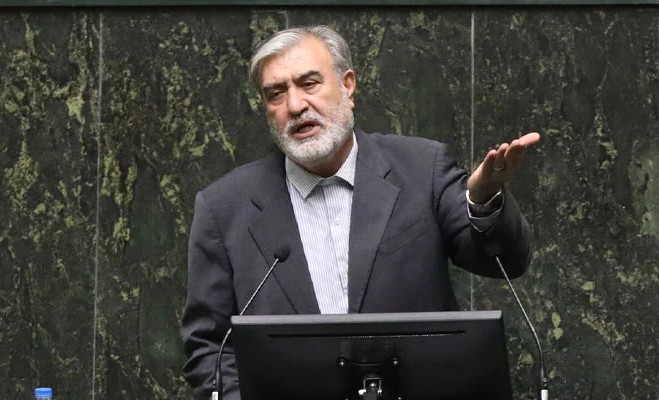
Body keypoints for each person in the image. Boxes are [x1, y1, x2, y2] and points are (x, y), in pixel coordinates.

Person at [181, 25, 539, 400]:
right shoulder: (224, 208)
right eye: (276, 93)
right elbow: (209, 350)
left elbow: (505, 260)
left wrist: (483, 198)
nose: (295, 105)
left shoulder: (422, 168)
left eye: (309, 83)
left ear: (348, 85)